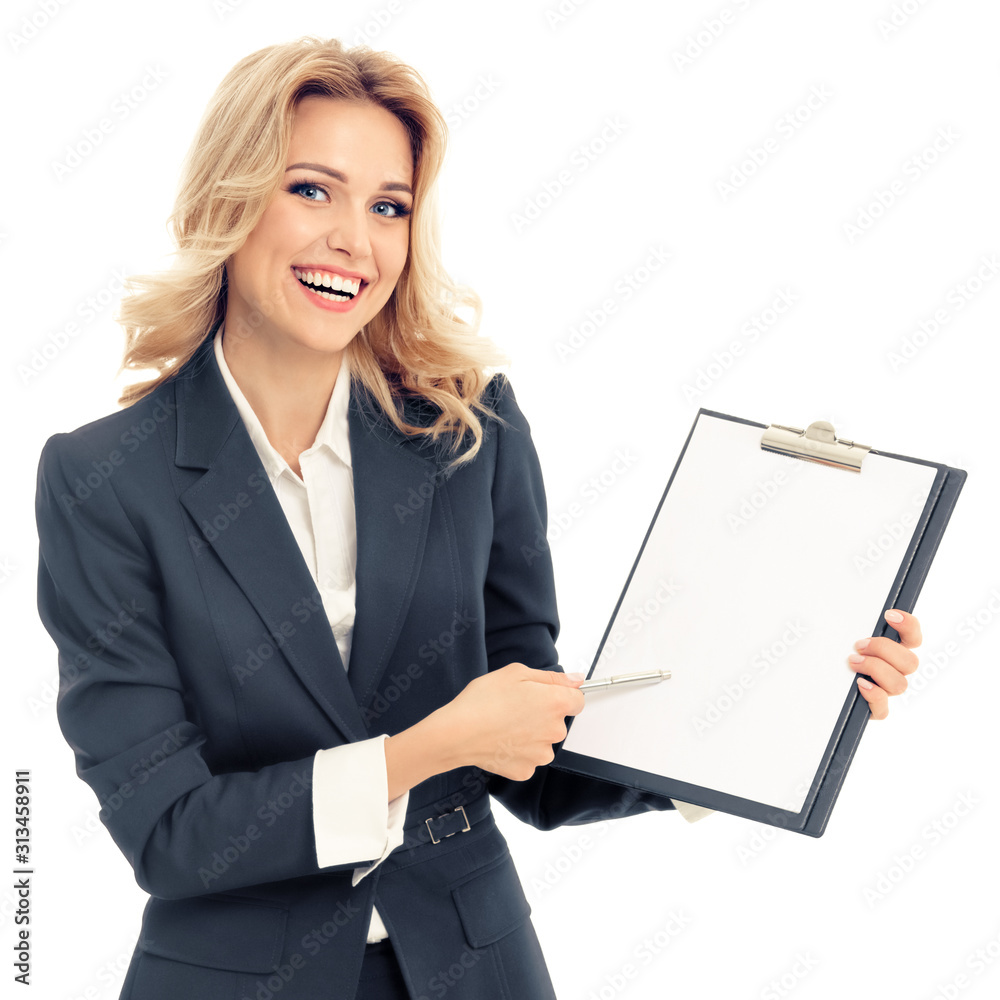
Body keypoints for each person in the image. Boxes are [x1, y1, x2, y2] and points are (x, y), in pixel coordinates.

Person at [33, 36, 922, 1000]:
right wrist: (430, 747)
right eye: (311, 190)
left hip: (473, 970)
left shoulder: (467, 432)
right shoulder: (104, 479)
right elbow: (169, 832)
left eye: (389, 207)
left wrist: (773, 708)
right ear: (230, 198)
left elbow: (530, 758)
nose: (354, 241)